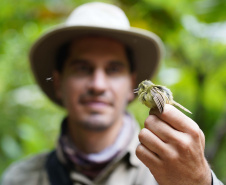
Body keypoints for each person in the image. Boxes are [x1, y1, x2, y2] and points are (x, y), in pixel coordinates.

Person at [1, 2, 223, 185]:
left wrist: (200, 180)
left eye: (113, 70)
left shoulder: (172, 172)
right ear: (58, 83)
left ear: (132, 86)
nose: (98, 85)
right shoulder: (19, 179)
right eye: (82, 68)